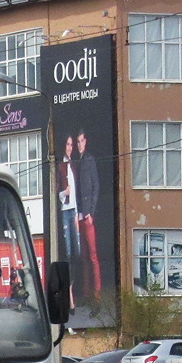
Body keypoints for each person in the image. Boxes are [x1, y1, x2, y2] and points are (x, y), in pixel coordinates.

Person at [74, 128, 102, 304]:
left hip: (88, 216)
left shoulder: (89, 160)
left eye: (81, 141)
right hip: (79, 215)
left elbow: (95, 187)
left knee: (93, 257)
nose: (79, 145)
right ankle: (85, 293)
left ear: (86, 141)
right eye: (77, 142)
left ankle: (97, 295)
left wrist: (91, 212)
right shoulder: (76, 161)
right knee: (83, 257)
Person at [56, 134, 81, 263]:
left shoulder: (73, 166)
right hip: (65, 210)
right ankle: (69, 279)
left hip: (74, 211)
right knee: (68, 249)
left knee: (78, 247)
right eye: (68, 144)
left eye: (71, 145)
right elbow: (57, 192)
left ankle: (76, 278)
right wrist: (65, 193)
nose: (70, 147)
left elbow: (76, 192)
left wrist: (77, 212)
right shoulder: (60, 166)